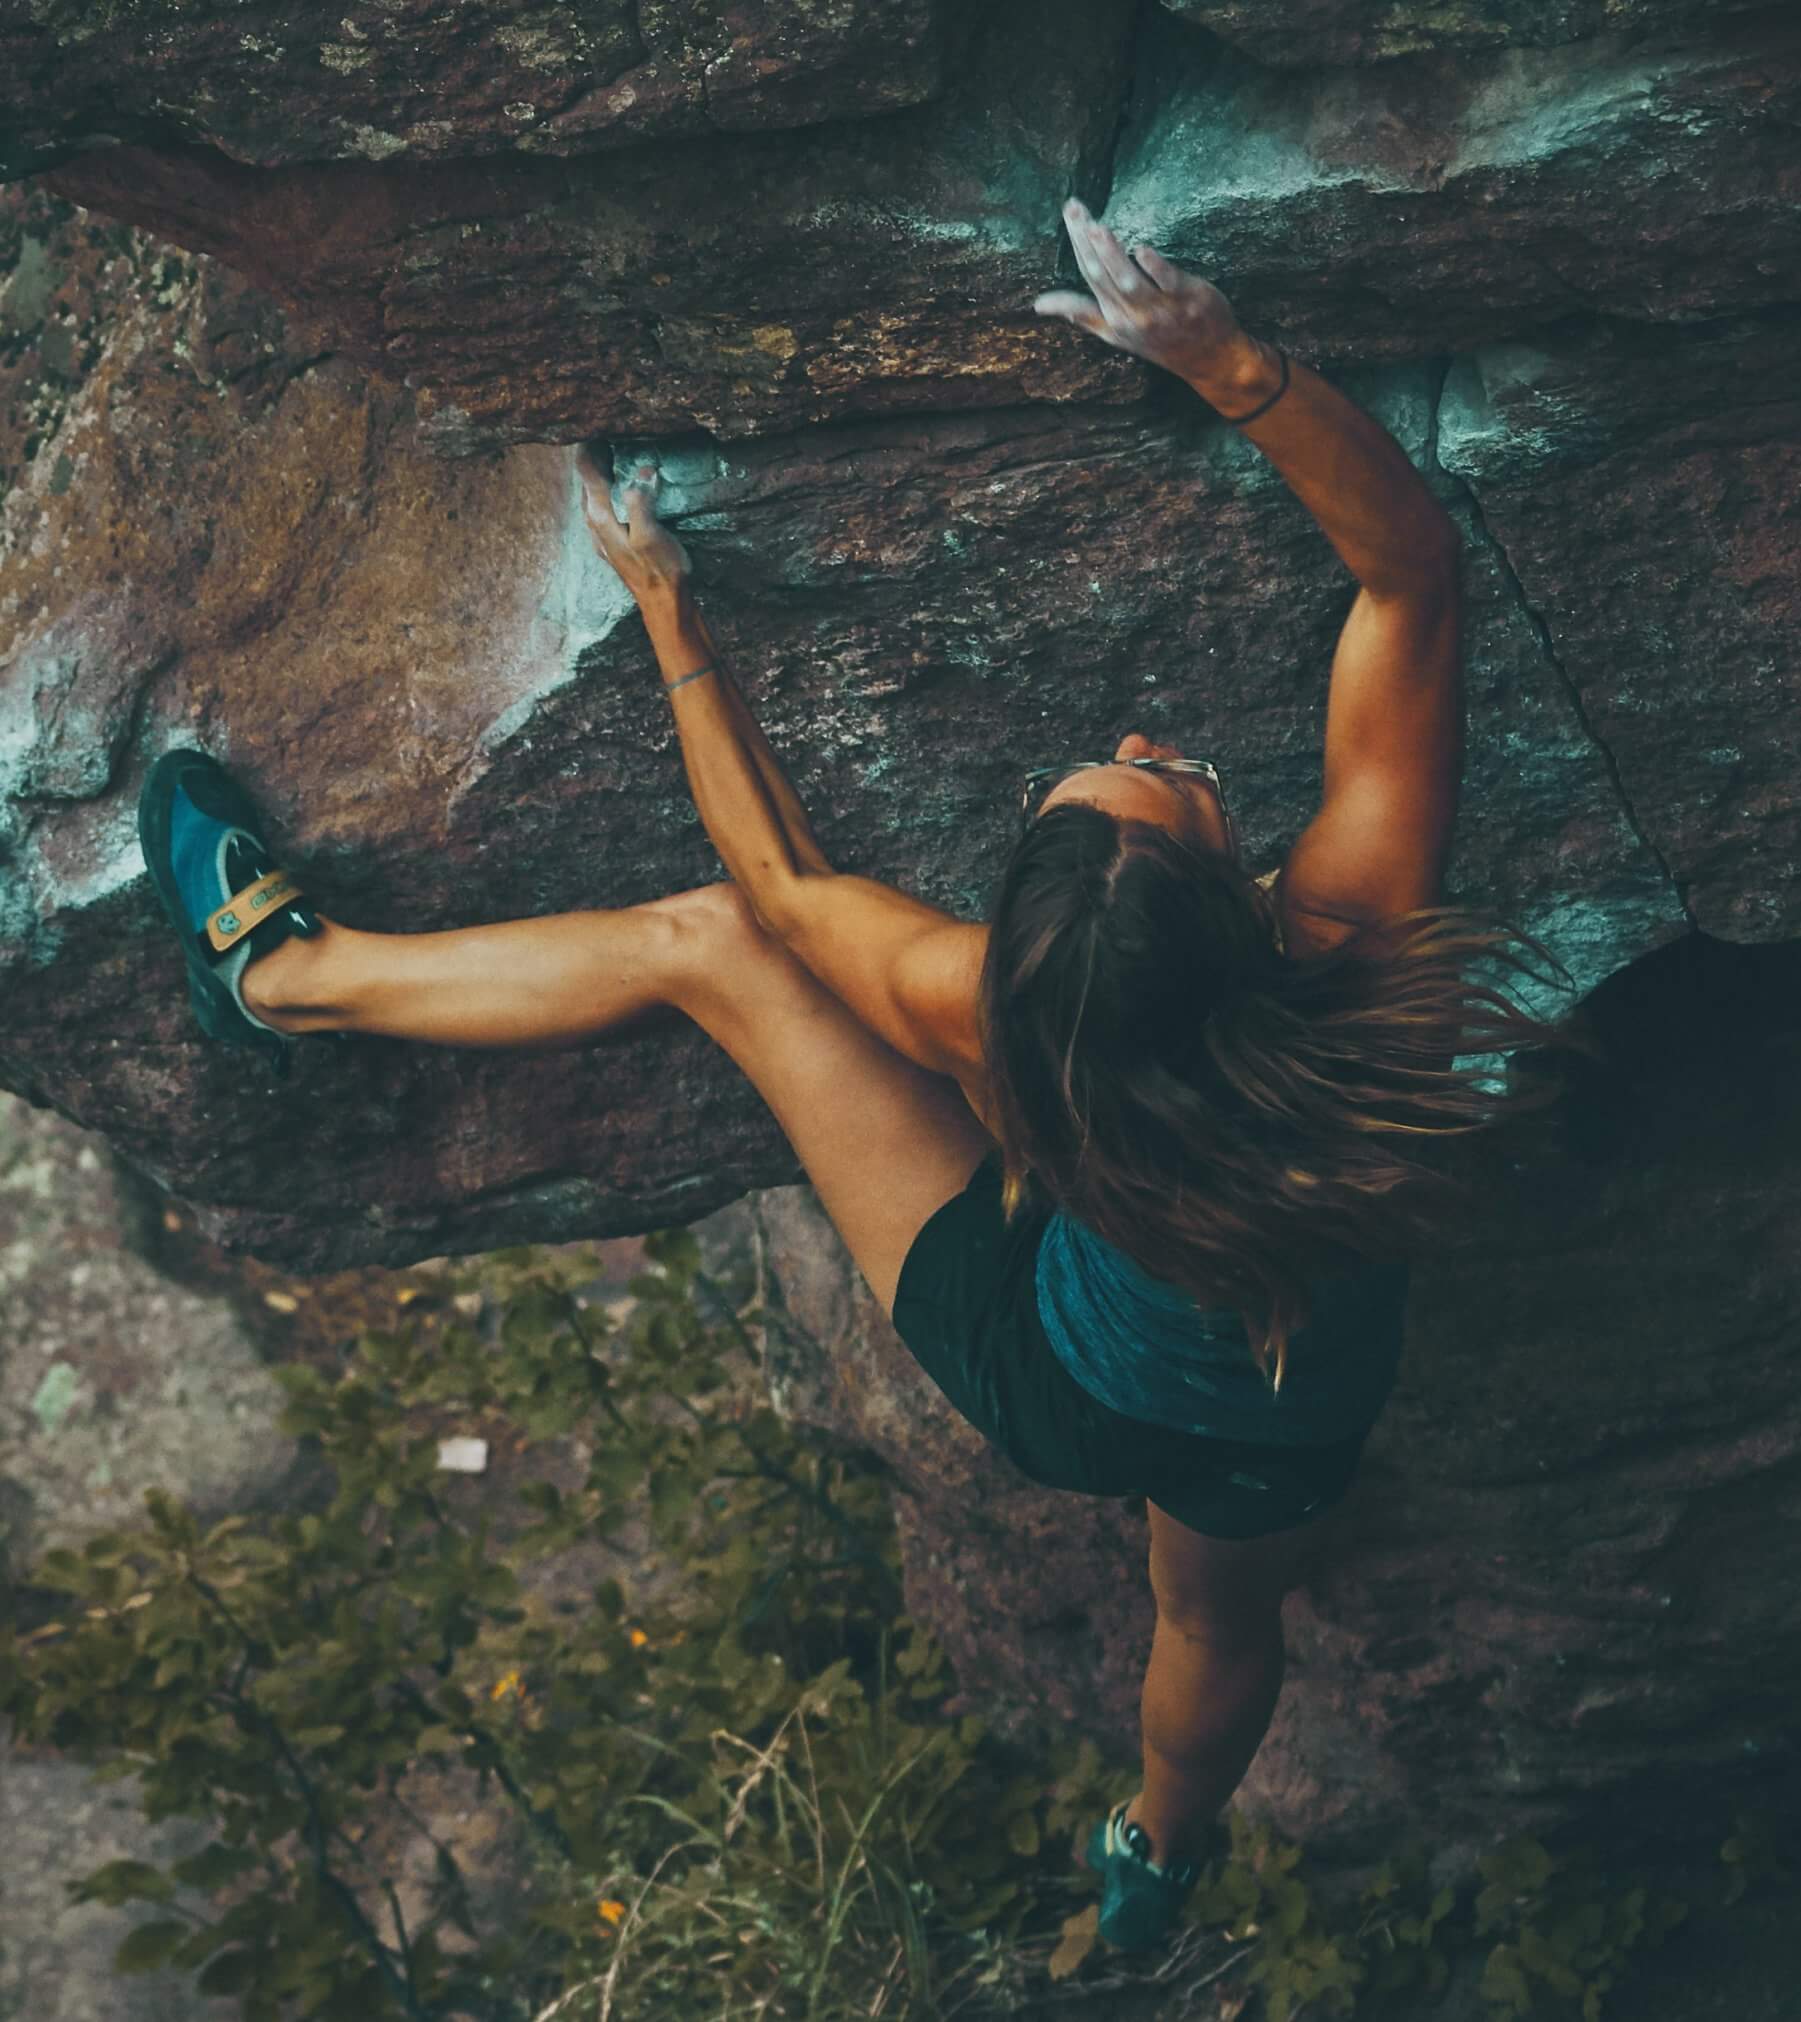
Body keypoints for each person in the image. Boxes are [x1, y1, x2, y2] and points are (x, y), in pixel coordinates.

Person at [138, 197, 1592, 1951]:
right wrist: (1229, 360)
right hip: (1276, 1411)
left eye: (1127, 772)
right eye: (1149, 774)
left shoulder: (990, 1008)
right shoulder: (1363, 982)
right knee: (1214, 1620)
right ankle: (1157, 1855)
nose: (1138, 741)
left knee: (708, 951)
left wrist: (674, 618)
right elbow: (1411, 574)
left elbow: (774, 896)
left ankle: (292, 978)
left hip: (1054, 1368)